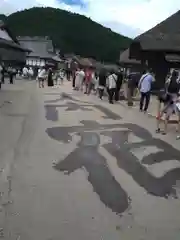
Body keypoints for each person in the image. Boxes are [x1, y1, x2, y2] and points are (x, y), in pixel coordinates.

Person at [156, 69, 180, 135]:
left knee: (161, 112)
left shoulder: (168, 80)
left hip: (167, 98)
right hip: (173, 100)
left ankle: (158, 128)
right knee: (167, 116)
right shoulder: (178, 82)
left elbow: (165, 88)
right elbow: (178, 93)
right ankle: (165, 130)